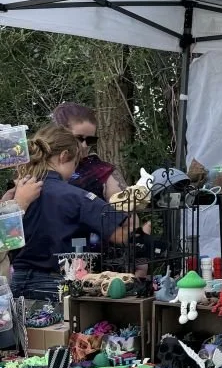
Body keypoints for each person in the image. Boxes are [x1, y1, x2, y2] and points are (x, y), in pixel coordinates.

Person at [9, 125, 131, 304]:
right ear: (64, 156)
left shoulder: (16, 194)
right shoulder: (76, 197)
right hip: (55, 286)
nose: (75, 171)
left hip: (14, 283)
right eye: (75, 164)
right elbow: (120, 235)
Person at [50, 102, 125, 202]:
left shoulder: (102, 171)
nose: (84, 145)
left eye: (90, 140)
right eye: (78, 138)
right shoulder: (38, 167)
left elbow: (125, 209)